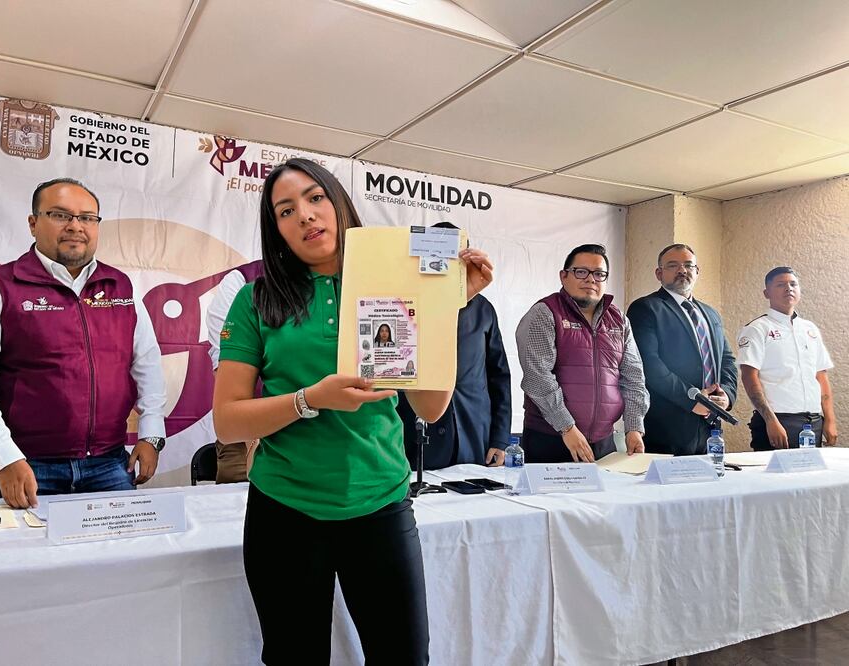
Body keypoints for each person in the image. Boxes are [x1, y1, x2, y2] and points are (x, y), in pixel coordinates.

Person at [212, 158, 493, 665]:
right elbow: (228, 420)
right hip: (285, 510)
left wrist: (443, 305)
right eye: (286, 210)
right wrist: (310, 400)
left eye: (316, 198)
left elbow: (430, 407)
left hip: (380, 502)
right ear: (275, 229)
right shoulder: (256, 300)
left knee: (404, 657)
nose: (305, 216)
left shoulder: (393, 287)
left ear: (339, 204)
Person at [0, 178, 166, 509]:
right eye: (60, 215)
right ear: (33, 223)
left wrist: (152, 433)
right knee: (24, 561)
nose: (76, 226)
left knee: (118, 560)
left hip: (110, 465)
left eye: (87, 218)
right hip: (26, 466)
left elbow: (147, 364)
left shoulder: (120, 286)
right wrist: (3, 457)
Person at [517, 244, 648, 463]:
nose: (590, 279)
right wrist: (566, 427)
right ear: (564, 276)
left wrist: (634, 427)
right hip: (552, 438)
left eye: (599, 274)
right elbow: (537, 377)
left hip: (604, 442)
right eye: (581, 272)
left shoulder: (619, 320)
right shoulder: (545, 313)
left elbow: (634, 377)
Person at [397, 222, 512, 470]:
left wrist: (500, 439)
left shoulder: (484, 310)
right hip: (415, 435)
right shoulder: (403, 305)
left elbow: (499, 377)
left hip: (473, 433)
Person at [627, 243, 737, 456]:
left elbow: (727, 360)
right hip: (668, 424)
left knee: (711, 486)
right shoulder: (646, 308)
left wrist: (727, 396)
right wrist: (692, 400)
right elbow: (649, 365)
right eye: (673, 265)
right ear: (659, 273)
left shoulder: (710, 313)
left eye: (688, 265)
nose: (682, 270)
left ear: (697, 271)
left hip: (710, 425)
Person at [738, 266, 837, 450]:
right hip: (778, 421)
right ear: (766, 293)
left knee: (812, 478)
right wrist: (770, 420)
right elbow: (749, 376)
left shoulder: (810, 329)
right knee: (776, 478)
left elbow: (821, 377)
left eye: (793, 284)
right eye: (781, 284)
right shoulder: (758, 328)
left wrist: (829, 420)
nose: (789, 288)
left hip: (813, 422)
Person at [206, 259, 264, 482]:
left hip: (316, 433)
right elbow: (225, 366)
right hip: (246, 437)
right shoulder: (241, 280)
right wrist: (253, 444)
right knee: (238, 512)